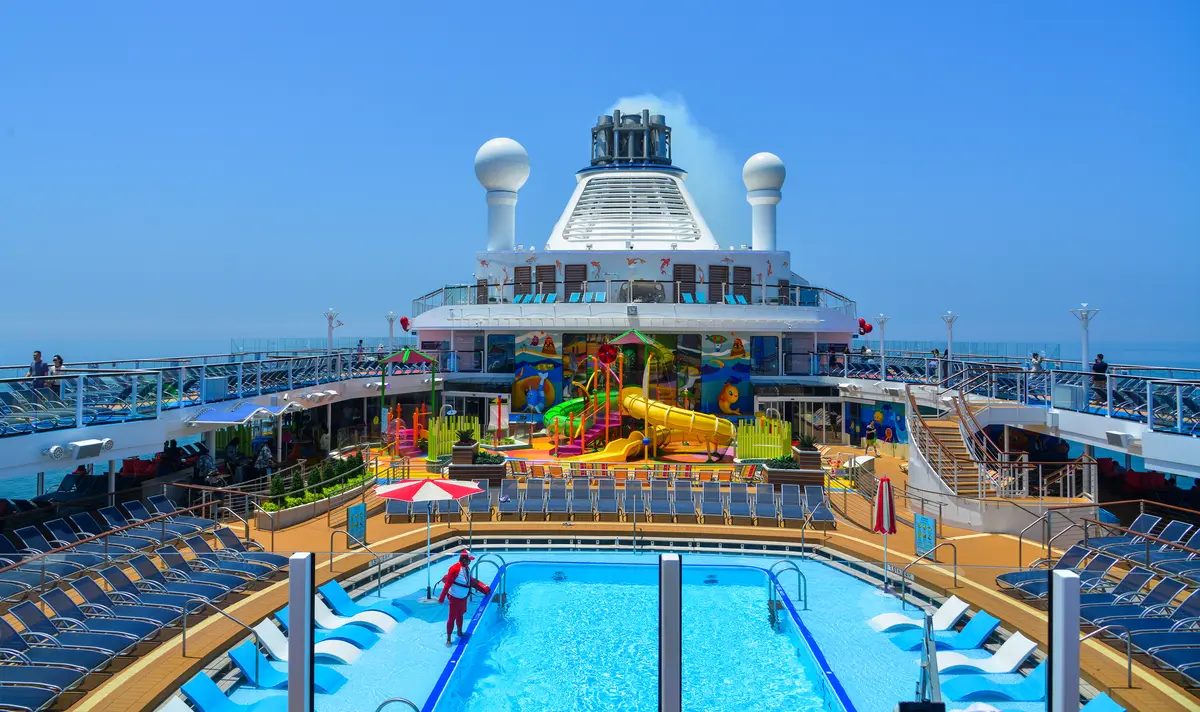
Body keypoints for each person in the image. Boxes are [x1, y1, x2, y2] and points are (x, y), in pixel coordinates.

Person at [437, 549, 491, 646]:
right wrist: (442, 598)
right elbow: (447, 584)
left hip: (463, 597)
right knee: (452, 617)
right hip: (454, 598)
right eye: (469, 560)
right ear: (463, 559)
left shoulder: (466, 568)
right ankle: (448, 639)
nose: (470, 562)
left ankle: (459, 632)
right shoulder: (454, 569)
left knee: (461, 615)